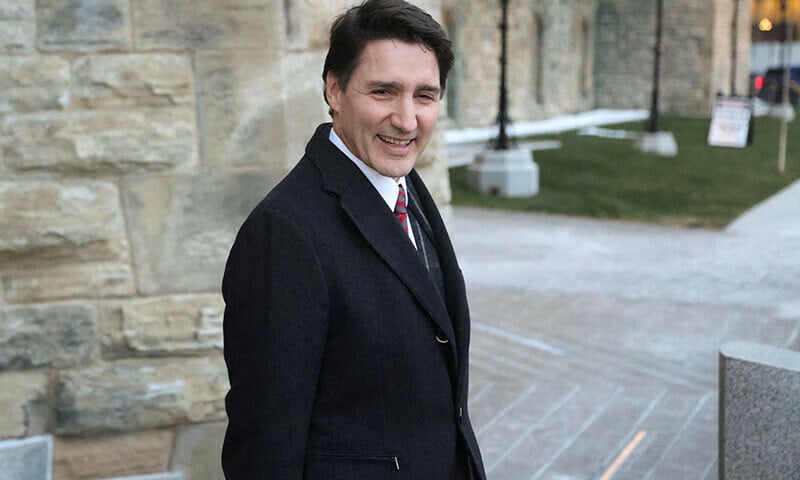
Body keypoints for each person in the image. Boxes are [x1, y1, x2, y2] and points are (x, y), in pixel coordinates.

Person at [220, 0, 485, 478]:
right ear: (335, 89)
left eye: (424, 96)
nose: (406, 120)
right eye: (384, 92)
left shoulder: (405, 187)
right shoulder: (283, 234)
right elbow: (264, 445)